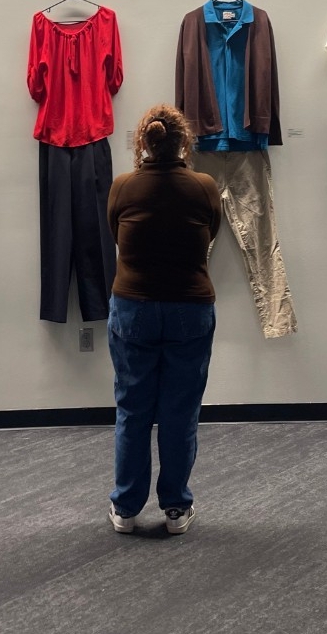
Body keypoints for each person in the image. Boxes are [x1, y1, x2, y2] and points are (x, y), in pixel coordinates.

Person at [105, 103, 221, 535]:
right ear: (183, 142)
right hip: (190, 307)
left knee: (132, 410)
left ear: (143, 143)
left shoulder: (122, 186)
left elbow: (117, 234)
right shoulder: (204, 186)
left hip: (133, 308)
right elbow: (211, 233)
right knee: (180, 411)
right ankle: (175, 509)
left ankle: (126, 509)